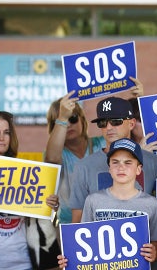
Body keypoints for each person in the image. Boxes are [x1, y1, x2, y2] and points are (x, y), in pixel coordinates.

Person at [0, 110, 59, 270]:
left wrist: (52, 205)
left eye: (6, 132)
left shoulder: (26, 173)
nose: (2, 137)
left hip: (22, 263)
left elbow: (42, 220)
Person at [57, 138, 157, 268]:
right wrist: (70, 259)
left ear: (138, 169)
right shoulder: (93, 200)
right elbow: (83, 243)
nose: (121, 167)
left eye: (128, 162)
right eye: (115, 162)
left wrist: (154, 252)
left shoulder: (152, 203)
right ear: (109, 168)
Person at [69, 96, 157, 224]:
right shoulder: (83, 166)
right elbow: (77, 221)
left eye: (116, 121)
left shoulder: (155, 163)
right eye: (103, 123)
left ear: (131, 123)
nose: (109, 127)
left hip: (143, 242)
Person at [45, 91, 106, 224]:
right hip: (69, 224)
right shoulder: (56, 154)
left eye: (72, 118)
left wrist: (138, 100)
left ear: (82, 119)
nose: (68, 125)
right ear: (54, 127)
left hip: (104, 221)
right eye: (62, 121)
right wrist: (62, 117)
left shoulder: (102, 143)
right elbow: (52, 159)